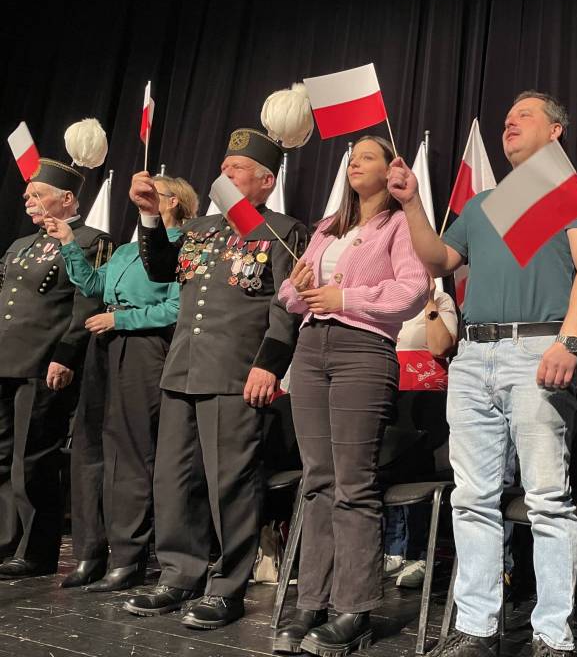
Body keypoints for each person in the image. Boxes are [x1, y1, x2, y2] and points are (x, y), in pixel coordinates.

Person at [389, 92, 577, 657]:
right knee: (471, 498)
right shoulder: (486, 203)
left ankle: (553, 636)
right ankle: (477, 629)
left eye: (525, 115)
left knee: (546, 498)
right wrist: (411, 204)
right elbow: (438, 261)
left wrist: (568, 341)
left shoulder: (576, 187)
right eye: (507, 118)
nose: (510, 123)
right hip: (472, 356)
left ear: (556, 131)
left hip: (537, 348)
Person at [123, 125, 307, 629]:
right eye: (224, 166)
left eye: (238, 168)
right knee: (173, 479)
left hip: (235, 371)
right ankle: (178, 575)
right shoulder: (201, 227)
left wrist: (270, 364)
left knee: (230, 483)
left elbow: (286, 306)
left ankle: (227, 587)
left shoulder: (281, 230)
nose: (225, 173)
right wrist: (149, 215)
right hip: (183, 367)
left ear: (266, 181)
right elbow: (162, 270)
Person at [272, 135, 429, 656]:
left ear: (390, 169)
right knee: (316, 479)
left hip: (363, 350)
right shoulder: (327, 227)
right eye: (351, 157)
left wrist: (346, 297)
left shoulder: (400, 224)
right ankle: (311, 602)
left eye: (367, 156)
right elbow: (290, 295)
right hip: (311, 349)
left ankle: (353, 609)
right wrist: (299, 286)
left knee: (352, 483)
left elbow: (413, 290)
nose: (355, 162)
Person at [46, 174, 198, 591]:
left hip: (143, 347)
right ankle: (90, 552)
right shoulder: (129, 249)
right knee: (91, 447)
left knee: (130, 453)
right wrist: (68, 243)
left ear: (173, 202)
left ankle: (128, 557)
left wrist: (122, 319)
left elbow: (176, 309)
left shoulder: (182, 247)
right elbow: (94, 285)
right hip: (104, 344)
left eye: (154, 194)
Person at [0, 158, 113, 577]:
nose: (28, 200)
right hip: (5, 358)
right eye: (27, 195)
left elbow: (88, 302)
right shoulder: (21, 244)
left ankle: (36, 550)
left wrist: (66, 354)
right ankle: (5, 541)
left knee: (32, 458)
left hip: (42, 362)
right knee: (2, 456)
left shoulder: (90, 240)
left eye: (38, 194)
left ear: (66, 198)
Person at [384, 278, 458, 589]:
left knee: (419, 471)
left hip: (428, 399)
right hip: (392, 394)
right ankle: (393, 548)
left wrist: (428, 302)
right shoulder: (388, 298)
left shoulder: (441, 300)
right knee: (390, 470)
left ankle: (419, 553)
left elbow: (442, 346)